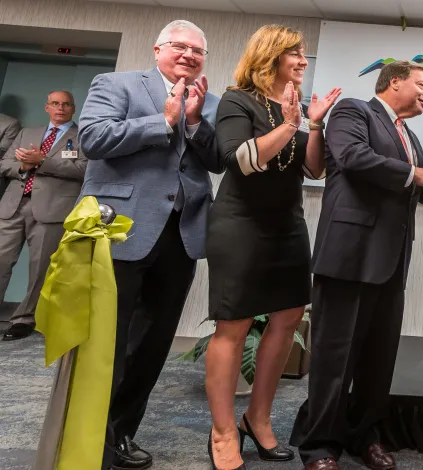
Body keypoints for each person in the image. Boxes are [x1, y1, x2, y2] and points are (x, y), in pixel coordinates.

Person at [78, 19, 223, 470]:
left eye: (197, 51)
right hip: (119, 227)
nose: (188, 55)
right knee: (107, 339)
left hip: (181, 234)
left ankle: (119, 432)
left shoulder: (210, 102)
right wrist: (163, 120)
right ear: (158, 48)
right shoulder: (117, 84)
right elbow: (92, 139)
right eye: (179, 46)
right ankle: (84, 437)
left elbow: (217, 161)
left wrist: (196, 122)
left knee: (153, 342)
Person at [290, 60, 423, 470]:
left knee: (378, 360)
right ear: (395, 82)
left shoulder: (407, 134)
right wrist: (417, 176)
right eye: (422, 84)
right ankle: (320, 445)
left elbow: (411, 182)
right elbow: (354, 158)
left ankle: (365, 436)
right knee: (334, 359)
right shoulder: (354, 111)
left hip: (391, 263)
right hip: (349, 256)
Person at [204, 24, 341, 470]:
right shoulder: (236, 99)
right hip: (241, 225)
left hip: (288, 224)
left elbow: (314, 169)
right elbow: (239, 160)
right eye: (295, 53)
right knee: (234, 324)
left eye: (303, 54)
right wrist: (288, 125)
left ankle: (257, 418)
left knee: (286, 318)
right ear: (270, 56)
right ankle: (223, 430)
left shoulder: (295, 107)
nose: (303, 61)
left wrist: (314, 124)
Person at [0, 91, 86, 341]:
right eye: (55, 104)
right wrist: (23, 166)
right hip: (12, 206)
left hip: (52, 210)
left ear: (73, 108)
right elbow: (4, 164)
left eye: (66, 104)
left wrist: (42, 161)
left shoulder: (82, 136)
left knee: (40, 268)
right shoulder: (27, 133)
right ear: (47, 107)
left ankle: (24, 319)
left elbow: (85, 169)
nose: (61, 108)